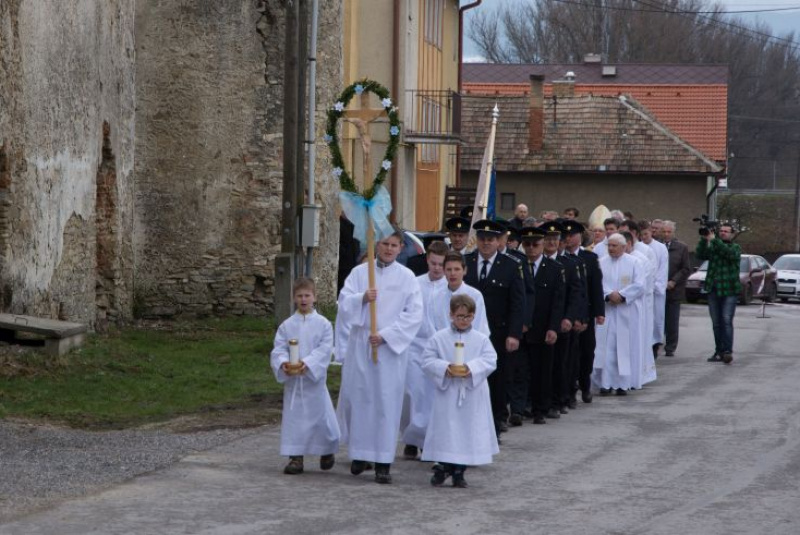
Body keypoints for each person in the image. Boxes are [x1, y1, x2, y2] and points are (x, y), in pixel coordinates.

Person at [335, 228, 424, 484]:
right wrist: (362, 298)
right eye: (384, 243)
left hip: (389, 351)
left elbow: (413, 314)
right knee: (361, 399)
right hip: (362, 345)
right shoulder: (360, 273)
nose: (388, 249)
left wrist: (386, 335)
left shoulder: (407, 278)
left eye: (394, 245)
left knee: (386, 402)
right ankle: (360, 454)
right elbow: (343, 303)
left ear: (400, 248)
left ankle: (383, 461)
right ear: (376, 245)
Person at [421, 294, 499, 488]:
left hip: (471, 393)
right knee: (448, 431)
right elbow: (427, 359)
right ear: (451, 315)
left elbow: (490, 360)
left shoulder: (480, 339)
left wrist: (471, 368)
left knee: (466, 431)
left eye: (467, 317)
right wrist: (445, 367)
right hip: (447, 392)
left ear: (473, 316)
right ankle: (444, 465)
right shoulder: (439, 338)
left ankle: (459, 471)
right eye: (459, 316)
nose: (462, 321)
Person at [270, 278, 339, 475]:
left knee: (321, 417)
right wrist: (284, 363)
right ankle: (295, 457)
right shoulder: (286, 325)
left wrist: (307, 364)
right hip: (294, 383)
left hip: (313, 381)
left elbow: (325, 349)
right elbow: (278, 349)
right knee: (295, 420)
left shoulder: (323, 324)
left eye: (307, 295)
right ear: (294, 298)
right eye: (299, 296)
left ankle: (326, 451)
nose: (303, 299)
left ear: (314, 297)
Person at [463, 219, 526, 435]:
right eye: (482, 239)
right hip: (469, 332)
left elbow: (518, 303)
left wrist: (514, 334)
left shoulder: (511, 265)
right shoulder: (466, 262)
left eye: (491, 239)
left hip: (499, 332)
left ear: (499, 241)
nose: (486, 243)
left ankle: (498, 419)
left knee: (498, 377)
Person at [401, 241, 449, 460]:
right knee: (412, 393)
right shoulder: (415, 283)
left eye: (441, 264)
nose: (437, 268)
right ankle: (411, 438)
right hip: (415, 346)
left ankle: (428, 439)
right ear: (427, 260)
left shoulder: (449, 287)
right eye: (433, 263)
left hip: (438, 348)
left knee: (432, 395)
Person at [519, 226, 565, 424]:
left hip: (543, 327)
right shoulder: (517, 266)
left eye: (535, 244)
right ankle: (521, 408)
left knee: (542, 371)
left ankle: (540, 408)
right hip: (521, 329)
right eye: (527, 244)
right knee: (520, 372)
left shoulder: (554, 269)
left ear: (543, 244)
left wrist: (553, 328)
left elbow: (558, 302)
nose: (531, 249)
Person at [592, 234, 646, 395]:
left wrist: (622, 295)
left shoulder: (634, 262)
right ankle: (605, 383)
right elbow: (596, 284)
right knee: (606, 348)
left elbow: (640, 284)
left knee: (625, 348)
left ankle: (623, 384)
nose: (611, 248)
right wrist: (608, 295)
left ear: (624, 247)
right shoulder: (600, 263)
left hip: (626, 311)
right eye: (609, 245)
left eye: (614, 246)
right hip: (607, 311)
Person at [563, 220, 604, 404]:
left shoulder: (589, 258)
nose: (570, 239)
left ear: (581, 237)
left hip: (585, 314)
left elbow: (595, 288)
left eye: (573, 235)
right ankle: (570, 390)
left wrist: (598, 313)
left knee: (587, 352)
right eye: (567, 236)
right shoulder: (561, 259)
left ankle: (585, 385)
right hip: (567, 314)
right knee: (570, 355)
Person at [695, 223, 741, 364]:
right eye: (721, 231)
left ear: (732, 234)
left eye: (726, 231)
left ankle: (727, 351)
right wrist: (704, 239)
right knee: (716, 323)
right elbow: (700, 254)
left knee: (726, 320)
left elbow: (729, 254)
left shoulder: (735, 247)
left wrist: (714, 240)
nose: (722, 233)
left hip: (729, 290)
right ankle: (719, 351)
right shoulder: (714, 245)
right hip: (713, 288)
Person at [431, 252, 490, 336]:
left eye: (457, 269)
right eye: (449, 269)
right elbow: (432, 326)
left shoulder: (475, 295)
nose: (452, 273)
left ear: (464, 270)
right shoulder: (436, 296)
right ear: (444, 271)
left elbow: (480, 328)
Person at [640, 220, 669, 358]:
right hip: (641, 291)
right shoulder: (638, 248)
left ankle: (655, 345)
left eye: (646, 234)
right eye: (642, 235)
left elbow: (662, 269)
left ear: (651, 231)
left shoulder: (660, 248)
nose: (644, 237)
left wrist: (655, 286)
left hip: (655, 291)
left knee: (656, 319)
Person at [661, 220, 691, 356]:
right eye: (664, 231)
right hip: (658, 288)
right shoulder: (657, 246)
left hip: (674, 290)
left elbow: (685, 268)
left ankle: (670, 346)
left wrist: (674, 281)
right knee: (658, 319)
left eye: (669, 232)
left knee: (672, 320)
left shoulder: (681, 247)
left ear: (673, 232)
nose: (666, 234)